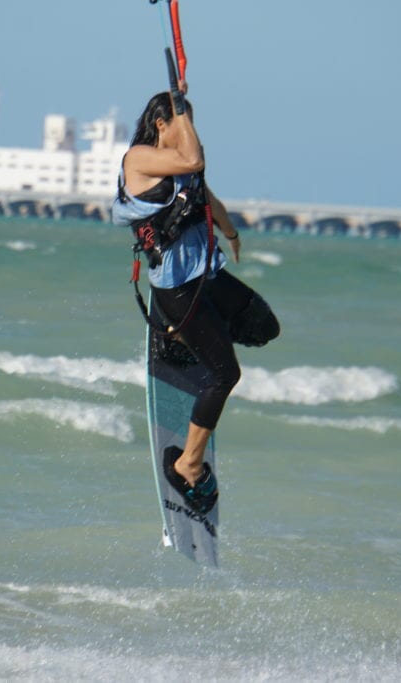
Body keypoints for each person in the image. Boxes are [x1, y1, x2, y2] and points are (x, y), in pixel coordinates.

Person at [112, 87, 280, 514]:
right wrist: (183, 115)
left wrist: (231, 232)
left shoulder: (182, 165)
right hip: (177, 289)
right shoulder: (139, 158)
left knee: (263, 326)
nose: (191, 133)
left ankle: (191, 340)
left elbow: (205, 194)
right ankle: (188, 465)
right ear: (162, 124)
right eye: (184, 123)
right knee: (225, 375)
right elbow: (193, 160)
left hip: (206, 275)